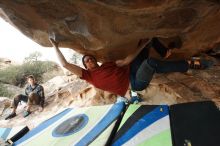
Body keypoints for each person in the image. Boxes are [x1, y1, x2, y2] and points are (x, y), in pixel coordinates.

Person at [49, 37, 212, 99]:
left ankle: (166, 52)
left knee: (145, 40)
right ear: (85, 66)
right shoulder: (88, 76)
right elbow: (65, 64)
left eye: (91, 58)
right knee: (150, 64)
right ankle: (189, 64)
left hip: (131, 70)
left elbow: (127, 60)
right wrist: (55, 46)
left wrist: (144, 46)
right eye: (87, 61)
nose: (90, 61)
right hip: (134, 83)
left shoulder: (107, 65)